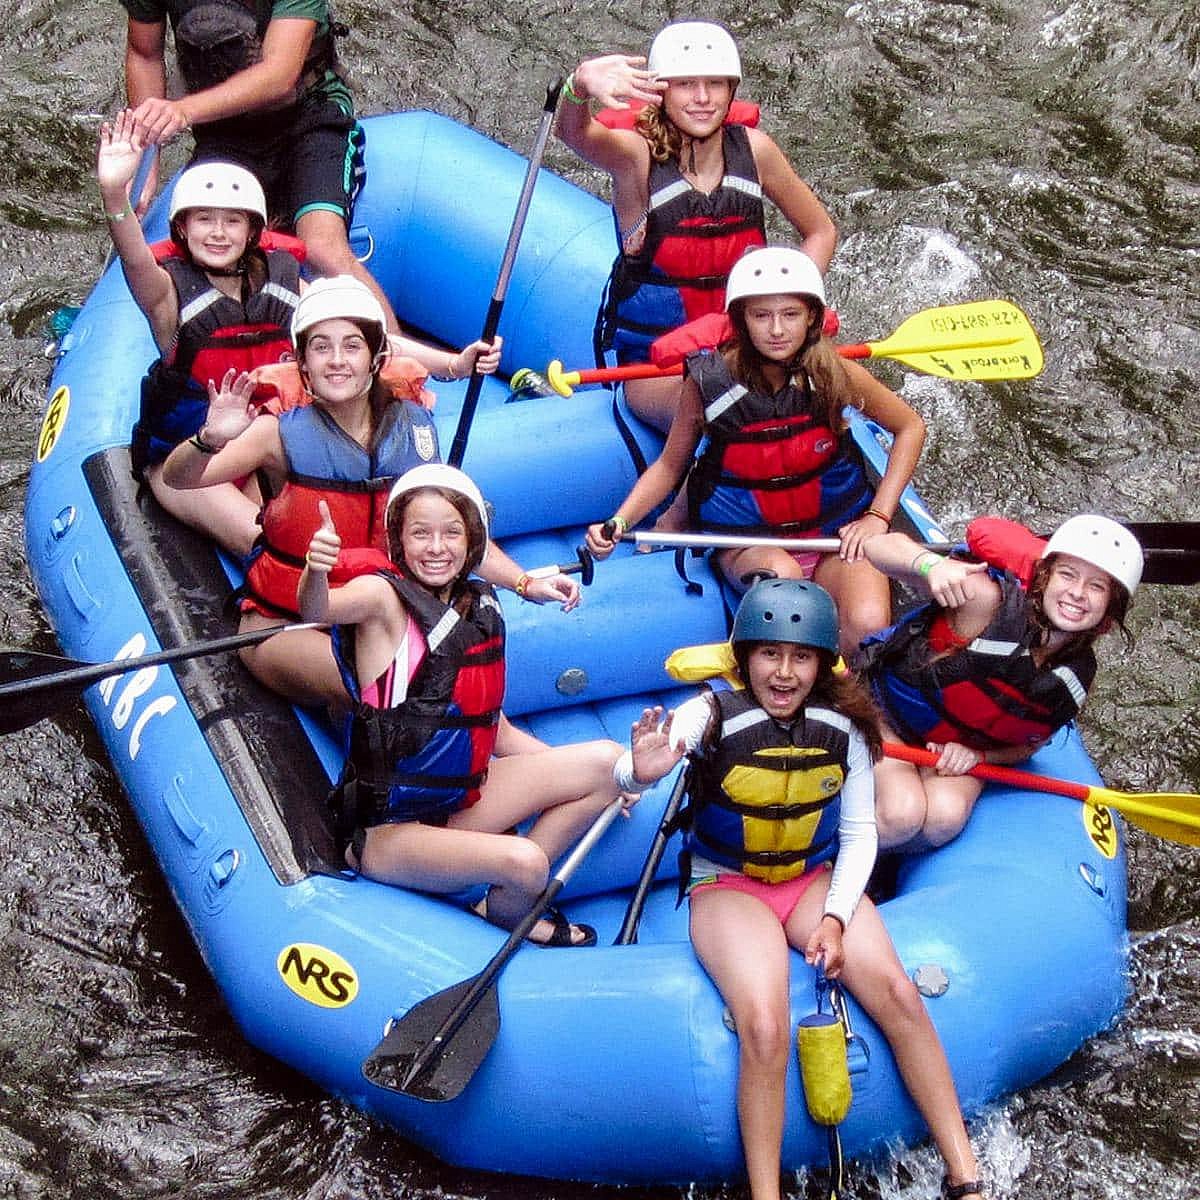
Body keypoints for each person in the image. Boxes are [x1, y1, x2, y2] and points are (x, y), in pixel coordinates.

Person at [624, 579, 986, 1200]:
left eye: (800, 656)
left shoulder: (846, 727)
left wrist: (837, 919)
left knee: (898, 992)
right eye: (769, 654)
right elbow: (642, 762)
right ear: (745, 659)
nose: (784, 672)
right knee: (764, 1025)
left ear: (821, 663)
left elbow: (859, 836)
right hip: (729, 885)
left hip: (812, 881)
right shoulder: (709, 714)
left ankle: (966, 1175)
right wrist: (642, 767)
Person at [162, 275, 572, 704]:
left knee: (461, 697)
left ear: (377, 358)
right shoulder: (276, 434)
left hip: (378, 611)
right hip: (287, 621)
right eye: (321, 347)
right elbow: (181, 478)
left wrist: (524, 582)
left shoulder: (412, 431)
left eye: (352, 346)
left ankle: (616, 770)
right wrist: (209, 438)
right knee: (397, 689)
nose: (337, 360)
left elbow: (451, 534)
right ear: (302, 362)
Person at [299, 463, 625, 946]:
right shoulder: (381, 600)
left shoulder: (476, 606)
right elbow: (317, 609)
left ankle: (494, 895)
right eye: (420, 534)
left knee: (612, 765)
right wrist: (317, 570)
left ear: (472, 541)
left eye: (451, 533)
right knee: (527, 862)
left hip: (458, 803)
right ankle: (510, 912)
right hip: (387, 832)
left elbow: (500, 734)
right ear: (398, 541)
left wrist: (623, 780)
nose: (436, 548)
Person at [586, 246, 926, 657]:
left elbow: (910, 427)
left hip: (836, 535)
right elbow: (670, 466)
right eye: (762, 316)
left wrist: (877, 516)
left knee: (867, 627)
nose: (777, 330)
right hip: (750, 544)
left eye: (790, 315)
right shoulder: (709, 383)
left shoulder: (838, 374)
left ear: (813, 318)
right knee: (784, 590)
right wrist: (619, 521)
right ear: (741, 321)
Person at [557, 19, 837, 433]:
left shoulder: (757, 151)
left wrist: (793, 301)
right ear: (661, 91)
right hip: (659, 369)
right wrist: (578, 87)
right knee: (731, 403)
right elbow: (574, 133)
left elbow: (820, 231)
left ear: (731, 91)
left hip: (751, 343)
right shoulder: (636, 158)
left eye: (716, 84)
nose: (703, 98)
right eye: (686, 84)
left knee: (820, 394)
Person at [858, 513, 1143, 851]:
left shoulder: (1075, 676)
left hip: (953, 749)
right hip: (885, 716)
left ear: (1110, 609)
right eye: (1068, 575)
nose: (1078, 593)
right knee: (902, 813)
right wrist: (928, 565)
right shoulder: (986, 603)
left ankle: (885, 866)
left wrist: (978, 756)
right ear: (1044, 577)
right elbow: (877, 546)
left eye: (1096, 586)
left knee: (943, 819)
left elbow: (1028, 746)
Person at [99, 113, 303, 555]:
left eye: (231, 222)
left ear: (253, 231)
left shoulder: (283, 283)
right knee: (265, 543)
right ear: (182, 228)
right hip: (184, 458)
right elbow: (134, 259)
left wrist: (450, 364)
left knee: (317, 526)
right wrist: (115, 191)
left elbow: (345, 326)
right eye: (204, 220)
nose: (216, 232)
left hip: (253, 444)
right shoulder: (166, 294)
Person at [119, 0, 396, 325]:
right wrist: (147, 153)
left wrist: (181, 111)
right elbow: (144, 53)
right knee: (203, 253)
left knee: (320, 248)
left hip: (309, 114)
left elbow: (280, 74)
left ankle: (402, 366)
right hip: (223, 128)